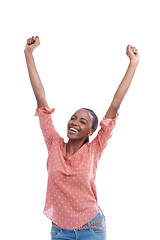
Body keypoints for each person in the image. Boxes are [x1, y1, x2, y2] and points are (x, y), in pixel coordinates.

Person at [24, 36, 139, 240]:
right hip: (59, 231)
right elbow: (40, 98)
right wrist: (28, 53)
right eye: (73, 118)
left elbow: (114, 106)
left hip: (92, 228)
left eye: (83, 122)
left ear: (91, 131)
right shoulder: (54, 144)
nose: (75, 122)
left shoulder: (94, 149)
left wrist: (133, 63)